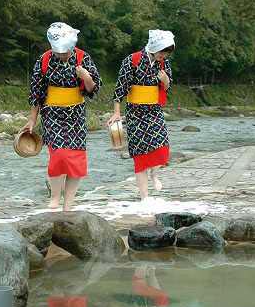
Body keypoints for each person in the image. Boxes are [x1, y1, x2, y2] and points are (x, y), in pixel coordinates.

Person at [22, 22, 101, 211]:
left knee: (76, 158)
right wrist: (32, 119)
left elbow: (93, 89)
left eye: (65, 52)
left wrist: (86, 77)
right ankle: (55, 198)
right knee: (58, 156)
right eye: (58, 52)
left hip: (76, 114)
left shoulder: (83, 58)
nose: (62, 55)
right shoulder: (44, 60)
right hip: (52, 113)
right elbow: (36, 93)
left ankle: (69, 203)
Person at [107, 30, 174, 201]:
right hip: (135, 112)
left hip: (154, 110)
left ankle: (155, 174)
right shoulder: (132, 60)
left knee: (162, 147)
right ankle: (144, 197)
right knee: (140, 156)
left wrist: (165, 81)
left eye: (166, 53)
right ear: (154, 47)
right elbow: (120, 88)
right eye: (162, 52)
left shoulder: (163, 64)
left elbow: (167, 88)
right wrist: (116, 112)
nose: (164, 56)